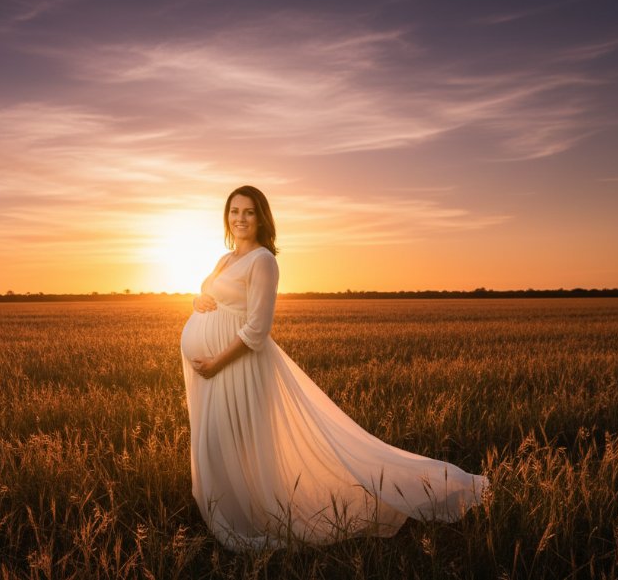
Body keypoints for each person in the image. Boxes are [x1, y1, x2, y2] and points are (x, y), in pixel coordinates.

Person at [180, 185, 488, 551]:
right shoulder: (226, 259)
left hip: (237, 369)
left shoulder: (263, 260)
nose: (240, 218)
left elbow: (258, 329)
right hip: (213, 373)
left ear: (262, 218)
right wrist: (199, 299)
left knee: (231, 445)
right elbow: (210, 293)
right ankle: (227, 512)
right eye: (234, 211)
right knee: (216, 446)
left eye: (249, 212)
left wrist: (216, 362)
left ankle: (245, 518)